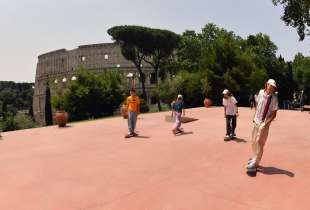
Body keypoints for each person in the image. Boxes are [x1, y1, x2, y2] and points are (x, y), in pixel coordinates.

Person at [247, 79, 278, 170]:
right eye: (270, 86)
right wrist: (254, 115)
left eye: (273, 87)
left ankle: (256, 162)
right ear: (266, 85)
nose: (271, 88)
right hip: (256, 120)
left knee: (260, 143)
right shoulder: (260, 92)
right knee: (253, 141)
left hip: (264, 123)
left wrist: (266, 123)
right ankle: (254, 157)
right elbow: (258, 103)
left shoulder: (274, 98)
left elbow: (274, 113)